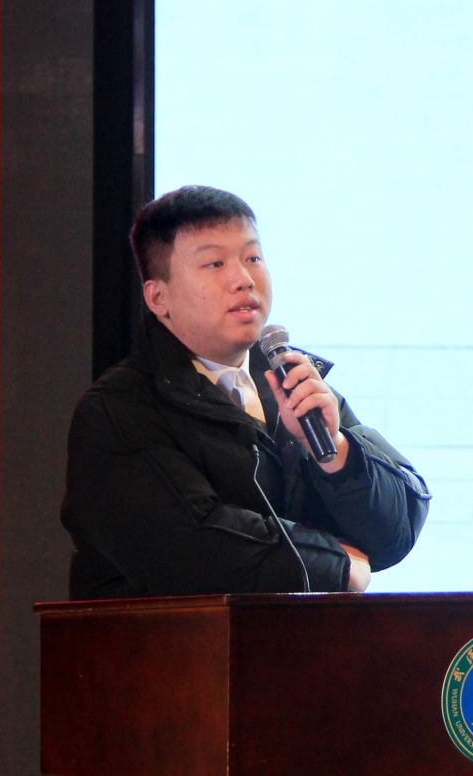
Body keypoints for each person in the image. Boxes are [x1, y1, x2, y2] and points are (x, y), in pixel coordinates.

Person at [61, 185, 429, 597]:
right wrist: (335, 565)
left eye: (253, 258)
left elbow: (396, 530)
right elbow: (191, 547)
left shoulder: (297, 383)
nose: (243, 279)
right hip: (170, 638)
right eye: (215, 263)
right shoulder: (118, 410)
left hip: (302, 637)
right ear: (159, 297)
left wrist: (337, 454)